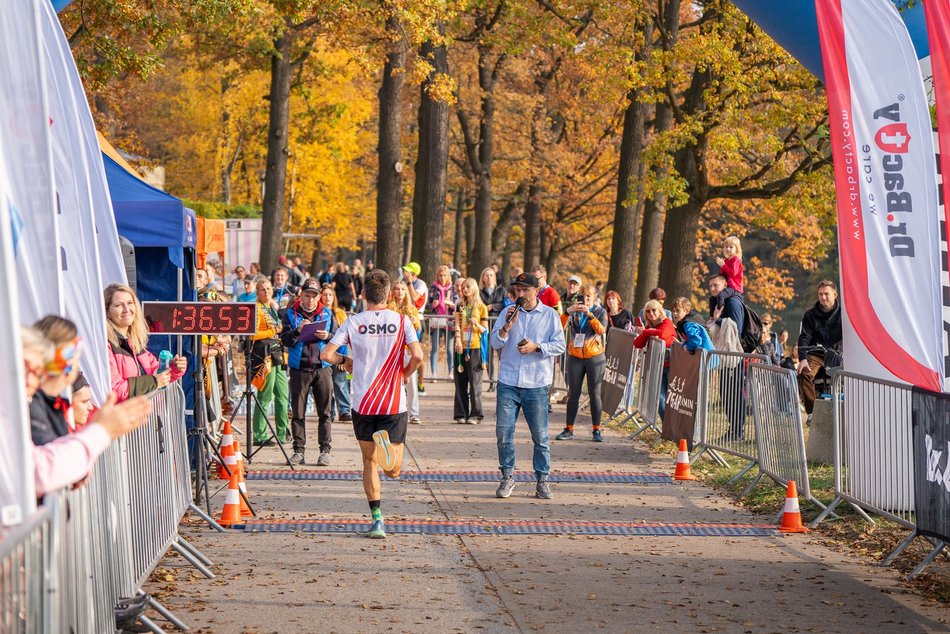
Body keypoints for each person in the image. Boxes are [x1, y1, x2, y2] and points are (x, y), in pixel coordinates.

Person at [321, 269, 424, 539]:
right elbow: (418, 355)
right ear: (389, 294)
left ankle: (377, 520)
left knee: (368, 462)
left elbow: (326, 354)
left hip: (363, 402)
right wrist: (405, 373)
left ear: (364, 294)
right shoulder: (401, 321)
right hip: (392, 401)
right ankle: (386, 451)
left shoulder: (353, 322)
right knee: (394, 470)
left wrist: (344, 361)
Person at [21, 326, 152, 496]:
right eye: (27, 370)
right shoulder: (32, 404)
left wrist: (75, 466)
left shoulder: (45, 402)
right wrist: (102, 431)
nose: (33, 380)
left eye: (36, 371)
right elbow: (40, 471)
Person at [490, 272, 566, 500]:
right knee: (504, 432)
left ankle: (542, 480)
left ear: (536, 291)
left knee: (540, 436)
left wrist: (537, 347)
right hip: (509, 382)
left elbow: (560, 345)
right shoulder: (507, 312)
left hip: (536, 383)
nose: (520, 294)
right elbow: (494, 342)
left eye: (525, 290)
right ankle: (507, 476)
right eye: (518, 290)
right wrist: (506, 328)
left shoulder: (550, 315)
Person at [280, 278, 334, 466]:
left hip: (322, 368)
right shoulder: (290, 314)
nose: (310, 300)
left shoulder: (327, 313)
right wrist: (298, 331)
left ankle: (325, 450)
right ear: (301, 295)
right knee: (298, 412)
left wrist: (328, 336)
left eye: (314, 296)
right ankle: (298, 450)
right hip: (299, 368)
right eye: (307, 295)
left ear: (319, 297)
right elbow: (285, 340)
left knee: (325, 412)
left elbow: (338, 338)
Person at [105, 283, 187, 401]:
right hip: (125, 417)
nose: (126, 310)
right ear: (107, 312)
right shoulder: (106, 346)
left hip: (144, 417)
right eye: (118, 305)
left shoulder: (134, 343)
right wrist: (153, 382)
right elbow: (116, 390)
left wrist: (174, 368)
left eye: (130, 303)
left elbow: (157, 372)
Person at [555, 284, 608, 442]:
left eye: (588, 298)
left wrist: (590, 315)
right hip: (575, 356)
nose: (585, 301)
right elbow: (559, 327)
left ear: (594, 298)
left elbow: (601, 330)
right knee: (573, 394)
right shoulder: (574, 312)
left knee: (595, 394)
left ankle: (596, 430)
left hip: (595, 356)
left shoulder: (600, 311)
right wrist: (566, 312)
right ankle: (569, 429)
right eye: (582, 297)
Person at [30, 316, 83, 445]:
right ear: (66, 362)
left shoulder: (53, 402)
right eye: (75, 355)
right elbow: (50, 454)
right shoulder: (33, 403)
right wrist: (101, 430)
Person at [251, 277, 290, 446]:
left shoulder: (272, 307)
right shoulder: (256, 308)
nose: (266, 292)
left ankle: (282, 433)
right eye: (262, 289)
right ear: (257, 292)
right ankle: (259, 434)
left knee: (282, 395)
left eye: (268, 289)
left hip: (277, 354)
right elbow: (252, 335)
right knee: (265, 396)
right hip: (264, 355)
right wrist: (272, 330)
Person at [797, 280, 843, 418]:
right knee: (804, 372)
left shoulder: (845, 313)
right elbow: (804, 337)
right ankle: (812, 413)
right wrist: (803, 359)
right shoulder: (810, 315)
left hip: (838, 355)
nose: (823, 297)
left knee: (856, 376)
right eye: (820, 294)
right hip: (817, 355)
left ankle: (851, 410)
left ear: (835, 294)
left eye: (826, 294)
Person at [634, 299, 676, 420]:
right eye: (648, 311)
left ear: (660, 311)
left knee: (672, 399)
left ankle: (674, 430)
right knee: (659, 398)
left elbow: (662, 334)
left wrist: (646, 332)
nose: (651, 313)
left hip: (672, 365)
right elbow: (637, 343)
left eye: (654, 310)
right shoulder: (649, 327)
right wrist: (646, 332)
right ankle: (666, 428)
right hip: (659, 366)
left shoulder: (667, 322)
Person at [453, 278, 488, 424]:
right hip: (461, 345)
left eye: (467, 286)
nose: (464, 289)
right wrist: (457, 339)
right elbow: (457, 325)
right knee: (460, 381)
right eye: (463, 287)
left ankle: (476, 414)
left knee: (475, 382)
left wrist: (477, 325)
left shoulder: (481, 307)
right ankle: (461, 413)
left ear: (474, 288)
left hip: (475, 347)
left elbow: (485, 330)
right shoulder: (460, 305)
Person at [389, 280, 422, 424]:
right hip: (393, 349)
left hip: (408, 349)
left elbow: (418, 330)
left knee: (411, 382)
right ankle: (393, 410)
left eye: (402, 289)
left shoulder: (412, 309)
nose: (400, 291)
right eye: (397, 289)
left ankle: (414, 413)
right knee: (393, 382)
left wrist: (415, 321)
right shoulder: (389, 308)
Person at [321, 285, 352, 423]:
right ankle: (330, 411)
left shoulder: (340, 313)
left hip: (338, 353)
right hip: (323, 354)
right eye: (325, 294)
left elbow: (345, 336)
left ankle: (344, 411)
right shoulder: (319, 313)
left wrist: (343, 358)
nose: (327, 297)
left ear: (334, 298)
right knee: (327, 386)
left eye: (330, 295)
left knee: (340, 383)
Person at [427, 264, 457, 376]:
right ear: (437, 276)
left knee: (449, 349)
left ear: (448, 276)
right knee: (434, 347)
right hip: (436, 321)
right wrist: (433, 305)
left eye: (445, 275)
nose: (442, 278)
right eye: (440, 275)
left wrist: (452, 305)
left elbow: (458, 306)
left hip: (449, 321)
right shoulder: (433, 288)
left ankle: (451, 372)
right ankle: (433, 373)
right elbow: (427, 306)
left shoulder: (452, 288)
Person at [713, 235, 744, 310]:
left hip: (734, 287)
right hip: (727, 286)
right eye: (726, 247)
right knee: (713, 298)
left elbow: (732, 273)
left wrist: (723, 265)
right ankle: (712, 316)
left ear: (736, 249)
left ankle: (720, 311)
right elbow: (723, 275)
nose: (728, 249)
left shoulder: (736, 260)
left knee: (721, 295)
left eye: (731, 247)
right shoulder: (726, 260)